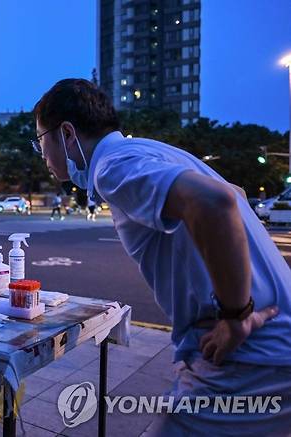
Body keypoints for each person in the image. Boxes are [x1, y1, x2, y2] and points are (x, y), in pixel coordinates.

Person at [32, 78, 291, 434]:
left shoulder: (111, 166)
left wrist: (236, 317)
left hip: (247, 359)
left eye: (41, 141)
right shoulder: (146, 150)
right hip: (268, 347)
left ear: (67, 134)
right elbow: (236, 192)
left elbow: (217, 202)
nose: (43, 155)